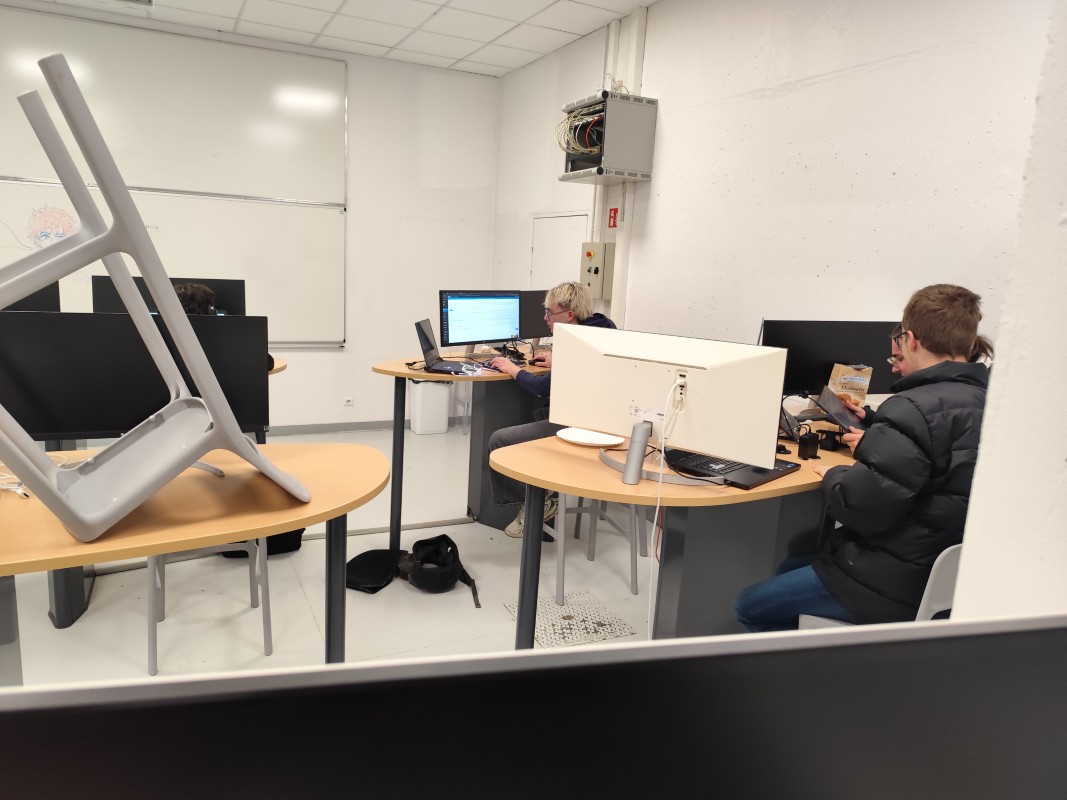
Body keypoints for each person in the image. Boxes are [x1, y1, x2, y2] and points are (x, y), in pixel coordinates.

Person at [735, 284, 990, 630]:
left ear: (911, 340)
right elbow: (937, 443)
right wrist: (877, 428)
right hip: (943, 576)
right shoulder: (987, 400)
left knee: (749, 605)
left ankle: (805, 661)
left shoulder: (911, 408)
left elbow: (857, 508)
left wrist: (833, 474)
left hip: (889, 584)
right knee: (789, 567)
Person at [487, 281, 616, 538]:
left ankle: (535, 503)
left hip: (585, 426)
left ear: (569, 315)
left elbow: (542, 387)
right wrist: (558, 361)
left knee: (499, 440)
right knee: (538, 415)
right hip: (603, 419)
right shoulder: (602, 329)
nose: (545, 319)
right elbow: (584, 368)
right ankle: (546, 488)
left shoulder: (577, 343)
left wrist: (513, 369)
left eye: (549, 313)